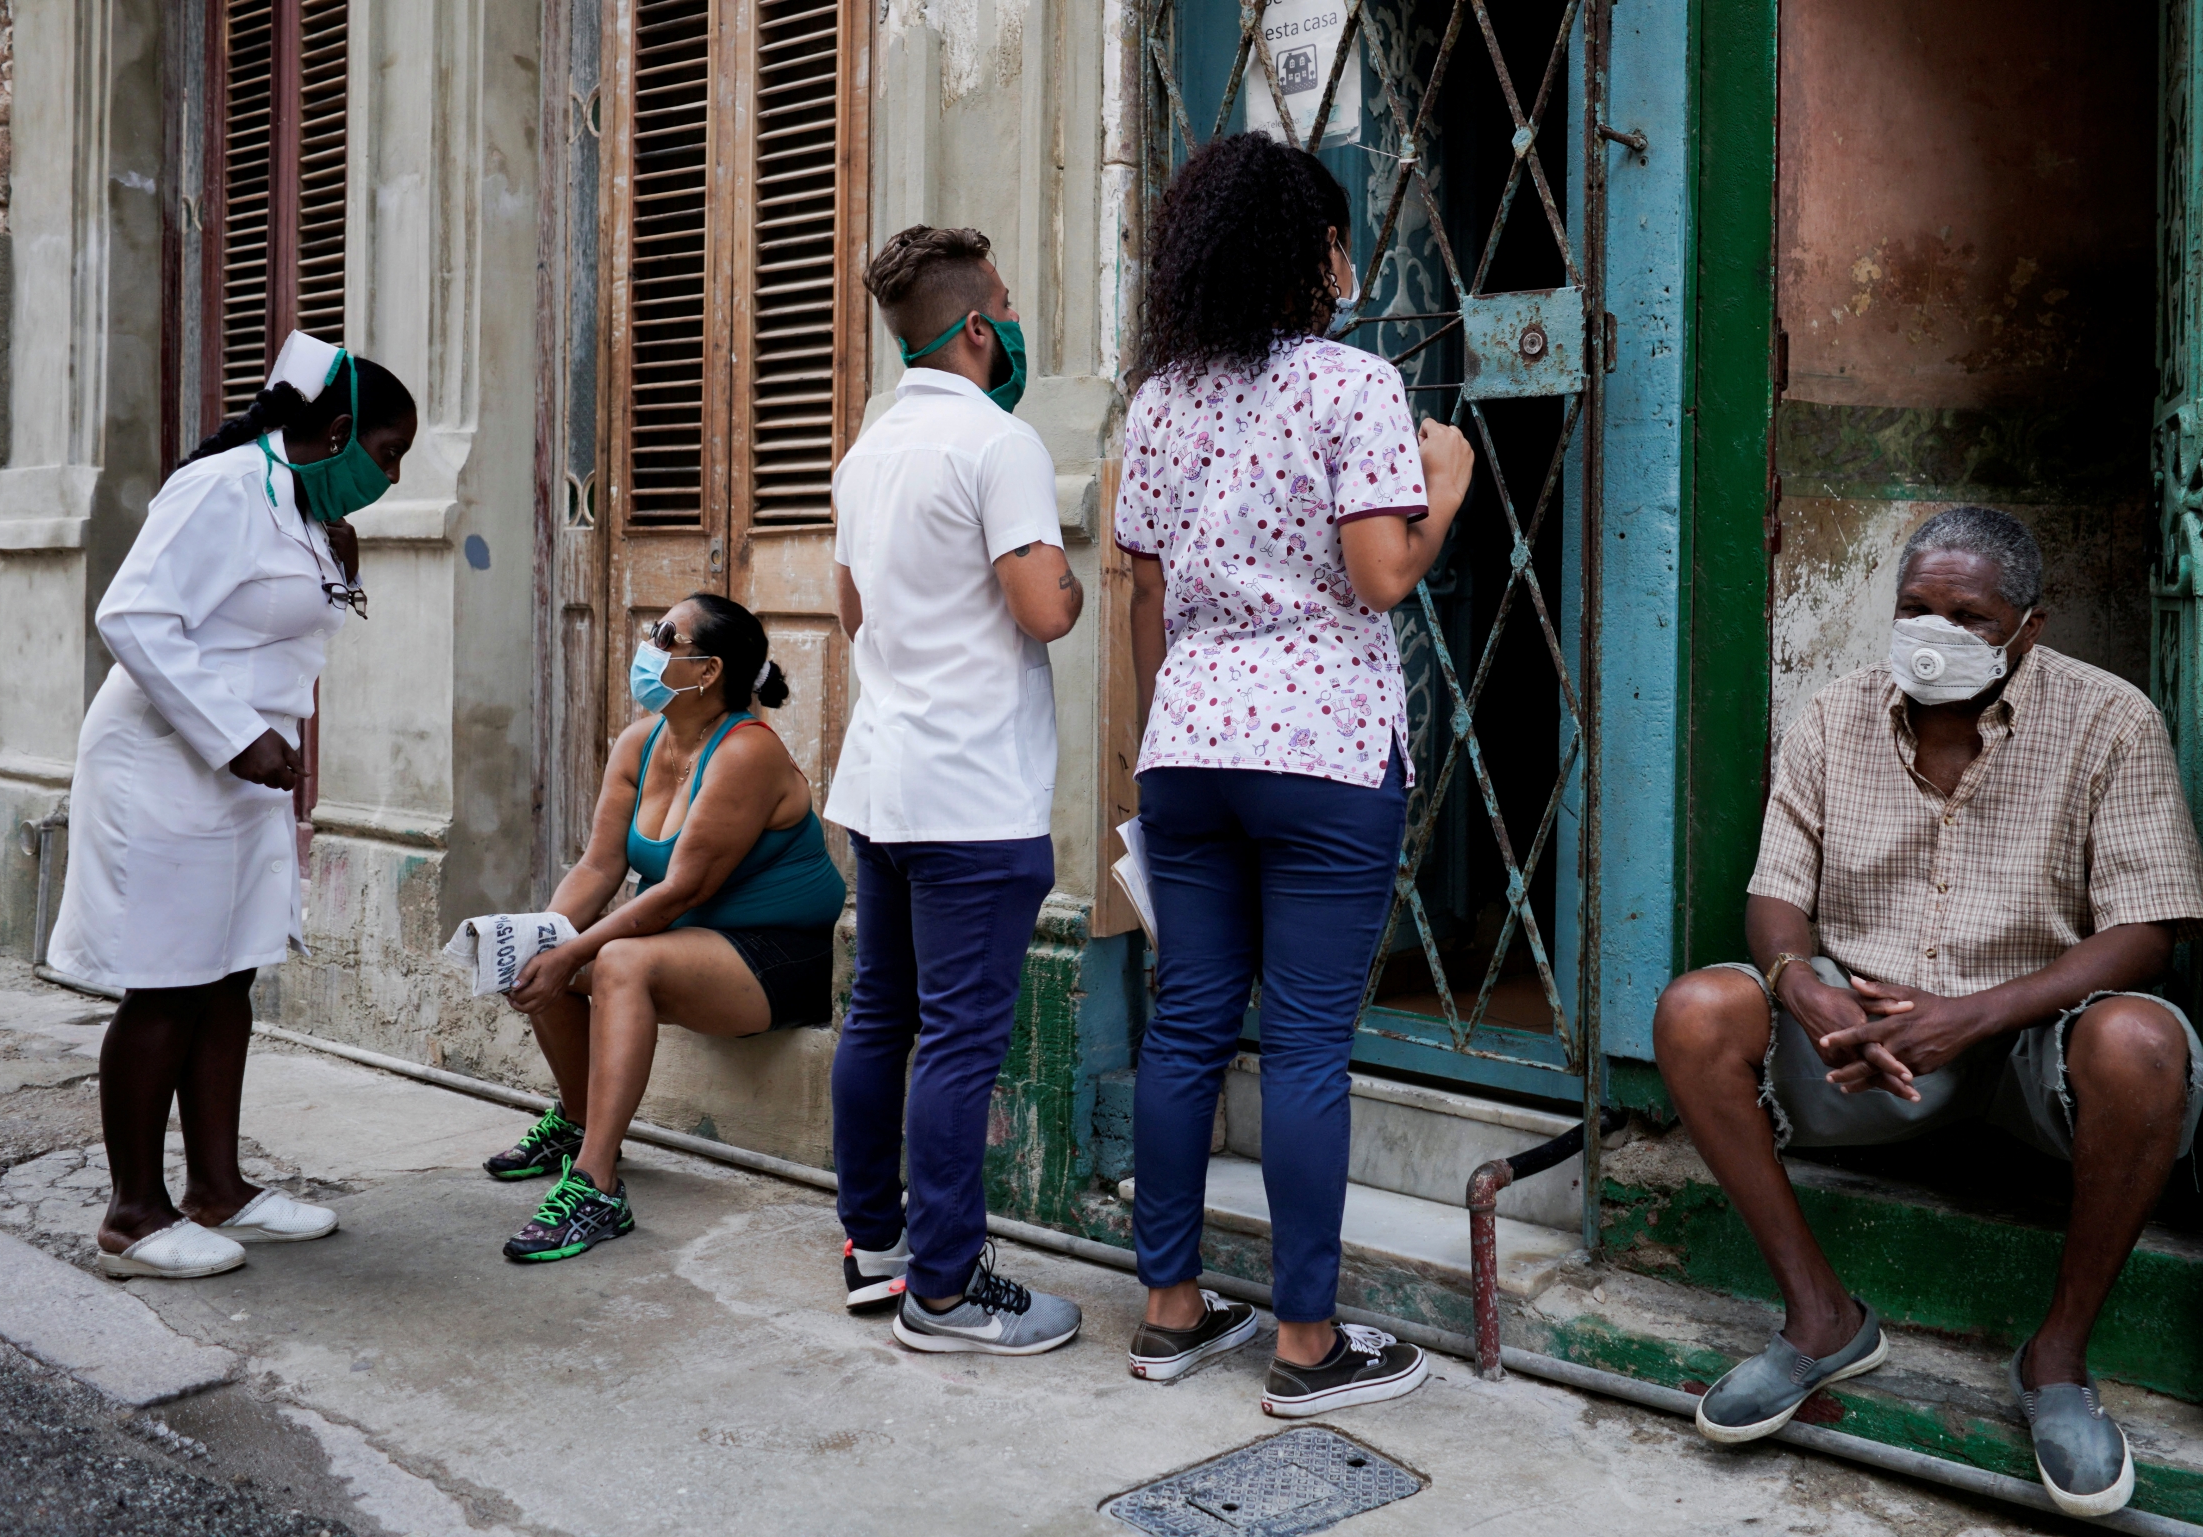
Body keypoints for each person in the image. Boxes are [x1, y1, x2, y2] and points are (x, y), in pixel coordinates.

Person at [1651, 506, 2203, 1518]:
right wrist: (1806, 989)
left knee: (2142, 1041)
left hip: (2035, 1053)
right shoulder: (1833, 715)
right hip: (1860, 1051)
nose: (1936, 633)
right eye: (1917, 607)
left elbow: (2148, 933)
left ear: (2029, 627)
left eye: (1970, 616)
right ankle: (1822, 1319)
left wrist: (1973, 1014)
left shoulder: (2111, 719)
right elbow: (1776, 895)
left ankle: (2056, 1361)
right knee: (1697, 1010)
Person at [1113, 132, 1477, 1416]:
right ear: (1309, 255)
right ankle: (1308, 1345)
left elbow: (1148, 595)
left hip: (1190, 740)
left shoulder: (1158, 398)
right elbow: (1381, 574)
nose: (1352, 259)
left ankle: (1168, 1312)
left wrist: (1166, 729)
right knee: (1309, 1043)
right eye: (1338, 237)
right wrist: (1447, 488)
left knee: (1190, 1021)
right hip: (1320, 741)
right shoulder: (1352, 382)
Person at [47, 330, 417, 1280]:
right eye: (386, 453)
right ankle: (134, 1211)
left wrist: (342, 559)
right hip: (168, 763)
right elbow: (131, 615)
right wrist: (232, 734)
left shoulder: (294, 503)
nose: (394, 472)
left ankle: (219, 1189)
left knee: (229, 975)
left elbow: (264, 619)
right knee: (167, 981)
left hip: (243, 771)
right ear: (335, 430)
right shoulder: (220, 488)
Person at [826, 224, 1087, 1350]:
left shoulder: (867, 448)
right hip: (974, 789)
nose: (1017, 323)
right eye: (1010, 304)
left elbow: (851, 612)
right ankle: (942, 1291)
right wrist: (1070, 582)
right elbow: (1044, 609)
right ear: (978, 325)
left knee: (881, 1010)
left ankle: (876, 1248)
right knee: (960, 1039)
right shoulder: (997, 442)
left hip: (882, 779)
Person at [494, 594, 845, 1262]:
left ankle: (596, 1184)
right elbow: (600, 865)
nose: (647, 645)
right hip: (691, 940)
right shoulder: (641, 739)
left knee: (618, 961)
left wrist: (573, 949)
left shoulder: (747, 753)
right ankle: (575, 1121)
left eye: (665, 635)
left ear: (708, 670)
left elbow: (681, 889)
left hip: (776, 955)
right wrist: (540, 937)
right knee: (552, 950)